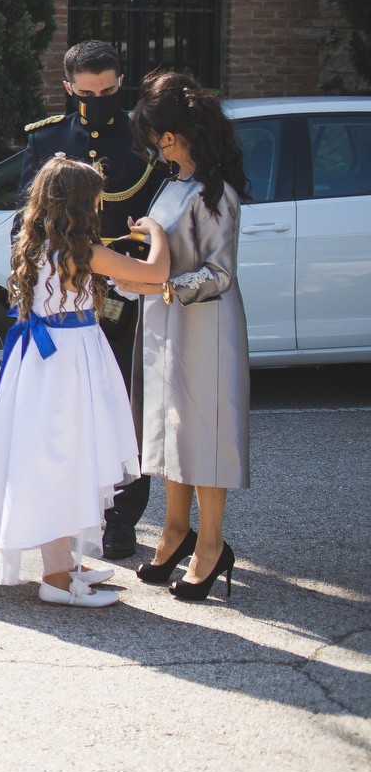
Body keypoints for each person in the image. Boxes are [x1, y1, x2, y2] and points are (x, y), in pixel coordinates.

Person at [0, 156, 170, 608]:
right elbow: (155, 273)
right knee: (65, 458)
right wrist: (157, 234)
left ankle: (65, 562)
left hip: (38, 360)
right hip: (68, 361)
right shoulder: (81, 252)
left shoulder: (36, 245)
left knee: (54, 456)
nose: (101, 205)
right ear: (80, 204)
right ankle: (56, 579)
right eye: (96, 199)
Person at [18, 38, 164, 560]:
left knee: (126, 405)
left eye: (108, 90)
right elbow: (25, 221)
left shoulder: (145, 138)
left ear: (120, 82)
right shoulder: (47, 139)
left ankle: (121, 517)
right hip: (65, 301)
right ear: (67, 88)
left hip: (127, 292)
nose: (98, 98)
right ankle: (67, 514)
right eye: (86, 92)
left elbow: (160, 213)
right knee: (66, 415)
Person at [116, 71, 251, 603]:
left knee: (204, 432)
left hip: (206, 327)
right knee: (169, 427)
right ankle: (174, 530)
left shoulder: (217, 194)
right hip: (165, 320)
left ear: (172, 134)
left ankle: (212, 545)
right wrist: (133, 275)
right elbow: (162, 255)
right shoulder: (171, 183)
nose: (152, 146)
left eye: (155, 136)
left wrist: (163, 287)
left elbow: (220, 275)